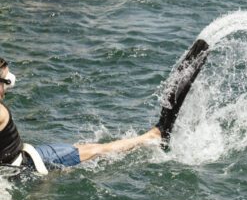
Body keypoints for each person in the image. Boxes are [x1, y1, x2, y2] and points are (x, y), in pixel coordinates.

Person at [0, 41, 208, 174]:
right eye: (7, 81)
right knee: (98, 150)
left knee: (87, 149)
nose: (9, 87)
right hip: (26, 165)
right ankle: (153, 136)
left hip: (26, 156)